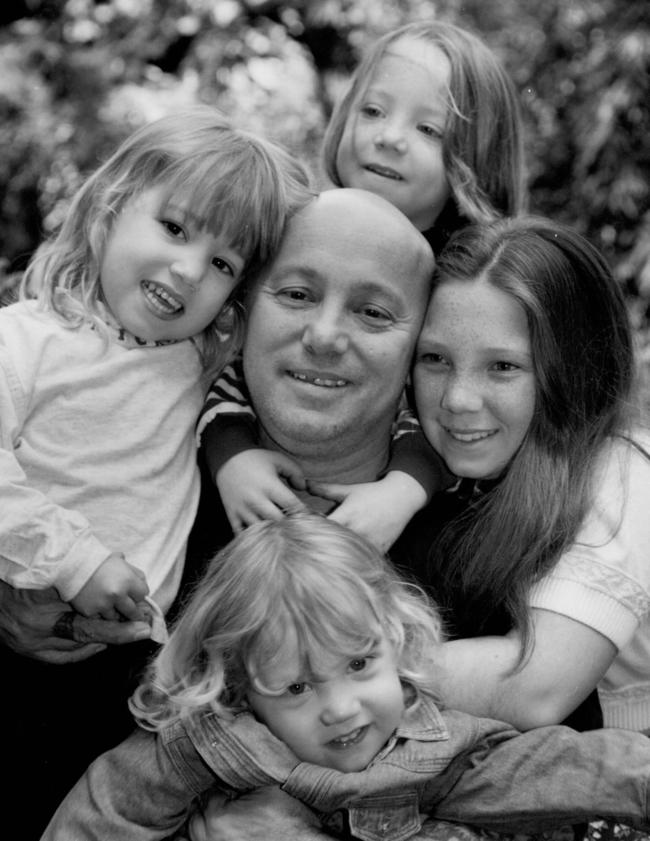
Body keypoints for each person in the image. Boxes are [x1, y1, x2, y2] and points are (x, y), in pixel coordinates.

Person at [0, 105, 312, 838]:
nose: (188, 268)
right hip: (24, 634)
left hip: (130, 671)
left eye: (224, 263)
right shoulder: (29, 340)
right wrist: (74, 559)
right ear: (112, 208)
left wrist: (232, 447)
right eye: (174, 227)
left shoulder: (196, 362)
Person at [42, 513, 650, 841]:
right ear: (238, 687)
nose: (341, 708)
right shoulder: (198, 750)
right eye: (297, 688)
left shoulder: (432, 746)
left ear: (396, 639)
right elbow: (100, 818)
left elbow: (550, 768)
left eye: (359, 665)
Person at [196, 19, 525, 548]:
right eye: (372, 110)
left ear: (477, 158)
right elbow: (223, 373)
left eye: (429, 129)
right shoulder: (291, 228)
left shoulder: (470, 289)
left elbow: (443, 417)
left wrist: (406, 487)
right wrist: (230, 457)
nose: (388, 137)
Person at [398, 215, 650, 736]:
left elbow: (534, 687)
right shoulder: (436, 467)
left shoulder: (623, 473)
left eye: (504, 367)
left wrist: (325, 666)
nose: (457, 400)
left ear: (576, 369)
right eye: (435, 359)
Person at [184, 186, 436, 580]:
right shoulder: (149, 490)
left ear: (419, 348)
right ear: (241, 308)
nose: (323, 336)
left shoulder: (480, 555)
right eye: (298, 294)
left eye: (373, 312)